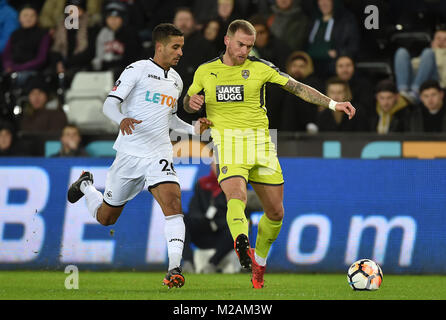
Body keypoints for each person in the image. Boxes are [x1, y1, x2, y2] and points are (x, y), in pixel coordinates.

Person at [183, 19, 355, 288]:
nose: (244, 51)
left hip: (261, 145)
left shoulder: (260, 68)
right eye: (240, 44)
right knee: (235, 196)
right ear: (227, 40)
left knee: (275, 213)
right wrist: (192, 104)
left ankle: (258, 262)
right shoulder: (205, 71)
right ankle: (242, 241)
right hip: (228, 144)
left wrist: (333, 103)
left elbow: (297, 87)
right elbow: (189, 102)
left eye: (250, 46)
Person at [66, 23, 211, 289]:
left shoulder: (177, 81)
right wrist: (121, 119)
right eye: (175, 47)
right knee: (106, 218)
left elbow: (171, 120)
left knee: (173, 204)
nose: (180, 52)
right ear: (159, 46)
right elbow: (109, 103)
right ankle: (86, 186)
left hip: (159, 152)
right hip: (130, 154)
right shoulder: (137, 69)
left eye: (182, 47)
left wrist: (194, 130)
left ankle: (174, 269)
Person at [183, 159, 262, 274]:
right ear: (211, 165)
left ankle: (212, 264)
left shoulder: (237, 184)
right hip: (203, 230)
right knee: (181, 220)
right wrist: (206, 221)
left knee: (236, 227)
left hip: (225, 235)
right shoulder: (202, 184)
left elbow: (248, 207)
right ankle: (188, 262)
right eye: (216, 163)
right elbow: (194, 209)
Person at [173, 7, 217, 124]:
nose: (183, 23)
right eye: (180, 19)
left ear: (194, 23)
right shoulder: (164, 45)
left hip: (195, 99)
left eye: (187, 20)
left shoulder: (205, 46)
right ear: (173, 23)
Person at [306, 0, 360, 79]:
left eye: (327, 0)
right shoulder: (313, 19)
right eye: (320, 0)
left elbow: (353, 45)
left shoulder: (346, 19)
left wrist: (339, 52)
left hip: (332, 66)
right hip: (311, 65)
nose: (324, 3)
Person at [274, 51, 324, 131]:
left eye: (301, 66)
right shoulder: (280, 85)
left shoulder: (314, 85)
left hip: (306, 133)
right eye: (294, 66)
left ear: (308, 68)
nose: (297, 69)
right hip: (282, 133)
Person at [393, 28, 446, 104]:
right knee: (401, 52)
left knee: (428, 52)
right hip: (417, 79)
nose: (441, 42)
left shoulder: (430, 53)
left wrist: (439, 52)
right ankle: (403, 91)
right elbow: (412, 67)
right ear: (433, 41)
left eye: (445, 39)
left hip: (434, 83)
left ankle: (416, 91)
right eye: (438, 38)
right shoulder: (426, 54)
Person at [2, 5, 51, 86]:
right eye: (25, 15)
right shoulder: (15, 34)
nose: (29, 18)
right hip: (12, 70)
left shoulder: (43, 34)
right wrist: (9, 66)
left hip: (32, 71)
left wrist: (18, 68)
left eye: (32, 15)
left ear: (37, 18)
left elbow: (41, 59)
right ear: (19, 18)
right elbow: (6, 55)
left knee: (21, 78)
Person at [91, 1, 140, 79]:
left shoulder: (130, 34)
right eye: (110, 17)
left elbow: (132, 60)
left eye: (117, 17)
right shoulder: (101, 34)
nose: (113, 20)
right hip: (103, 71)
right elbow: (96, 57)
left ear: (123, 19)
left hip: (124, 73)